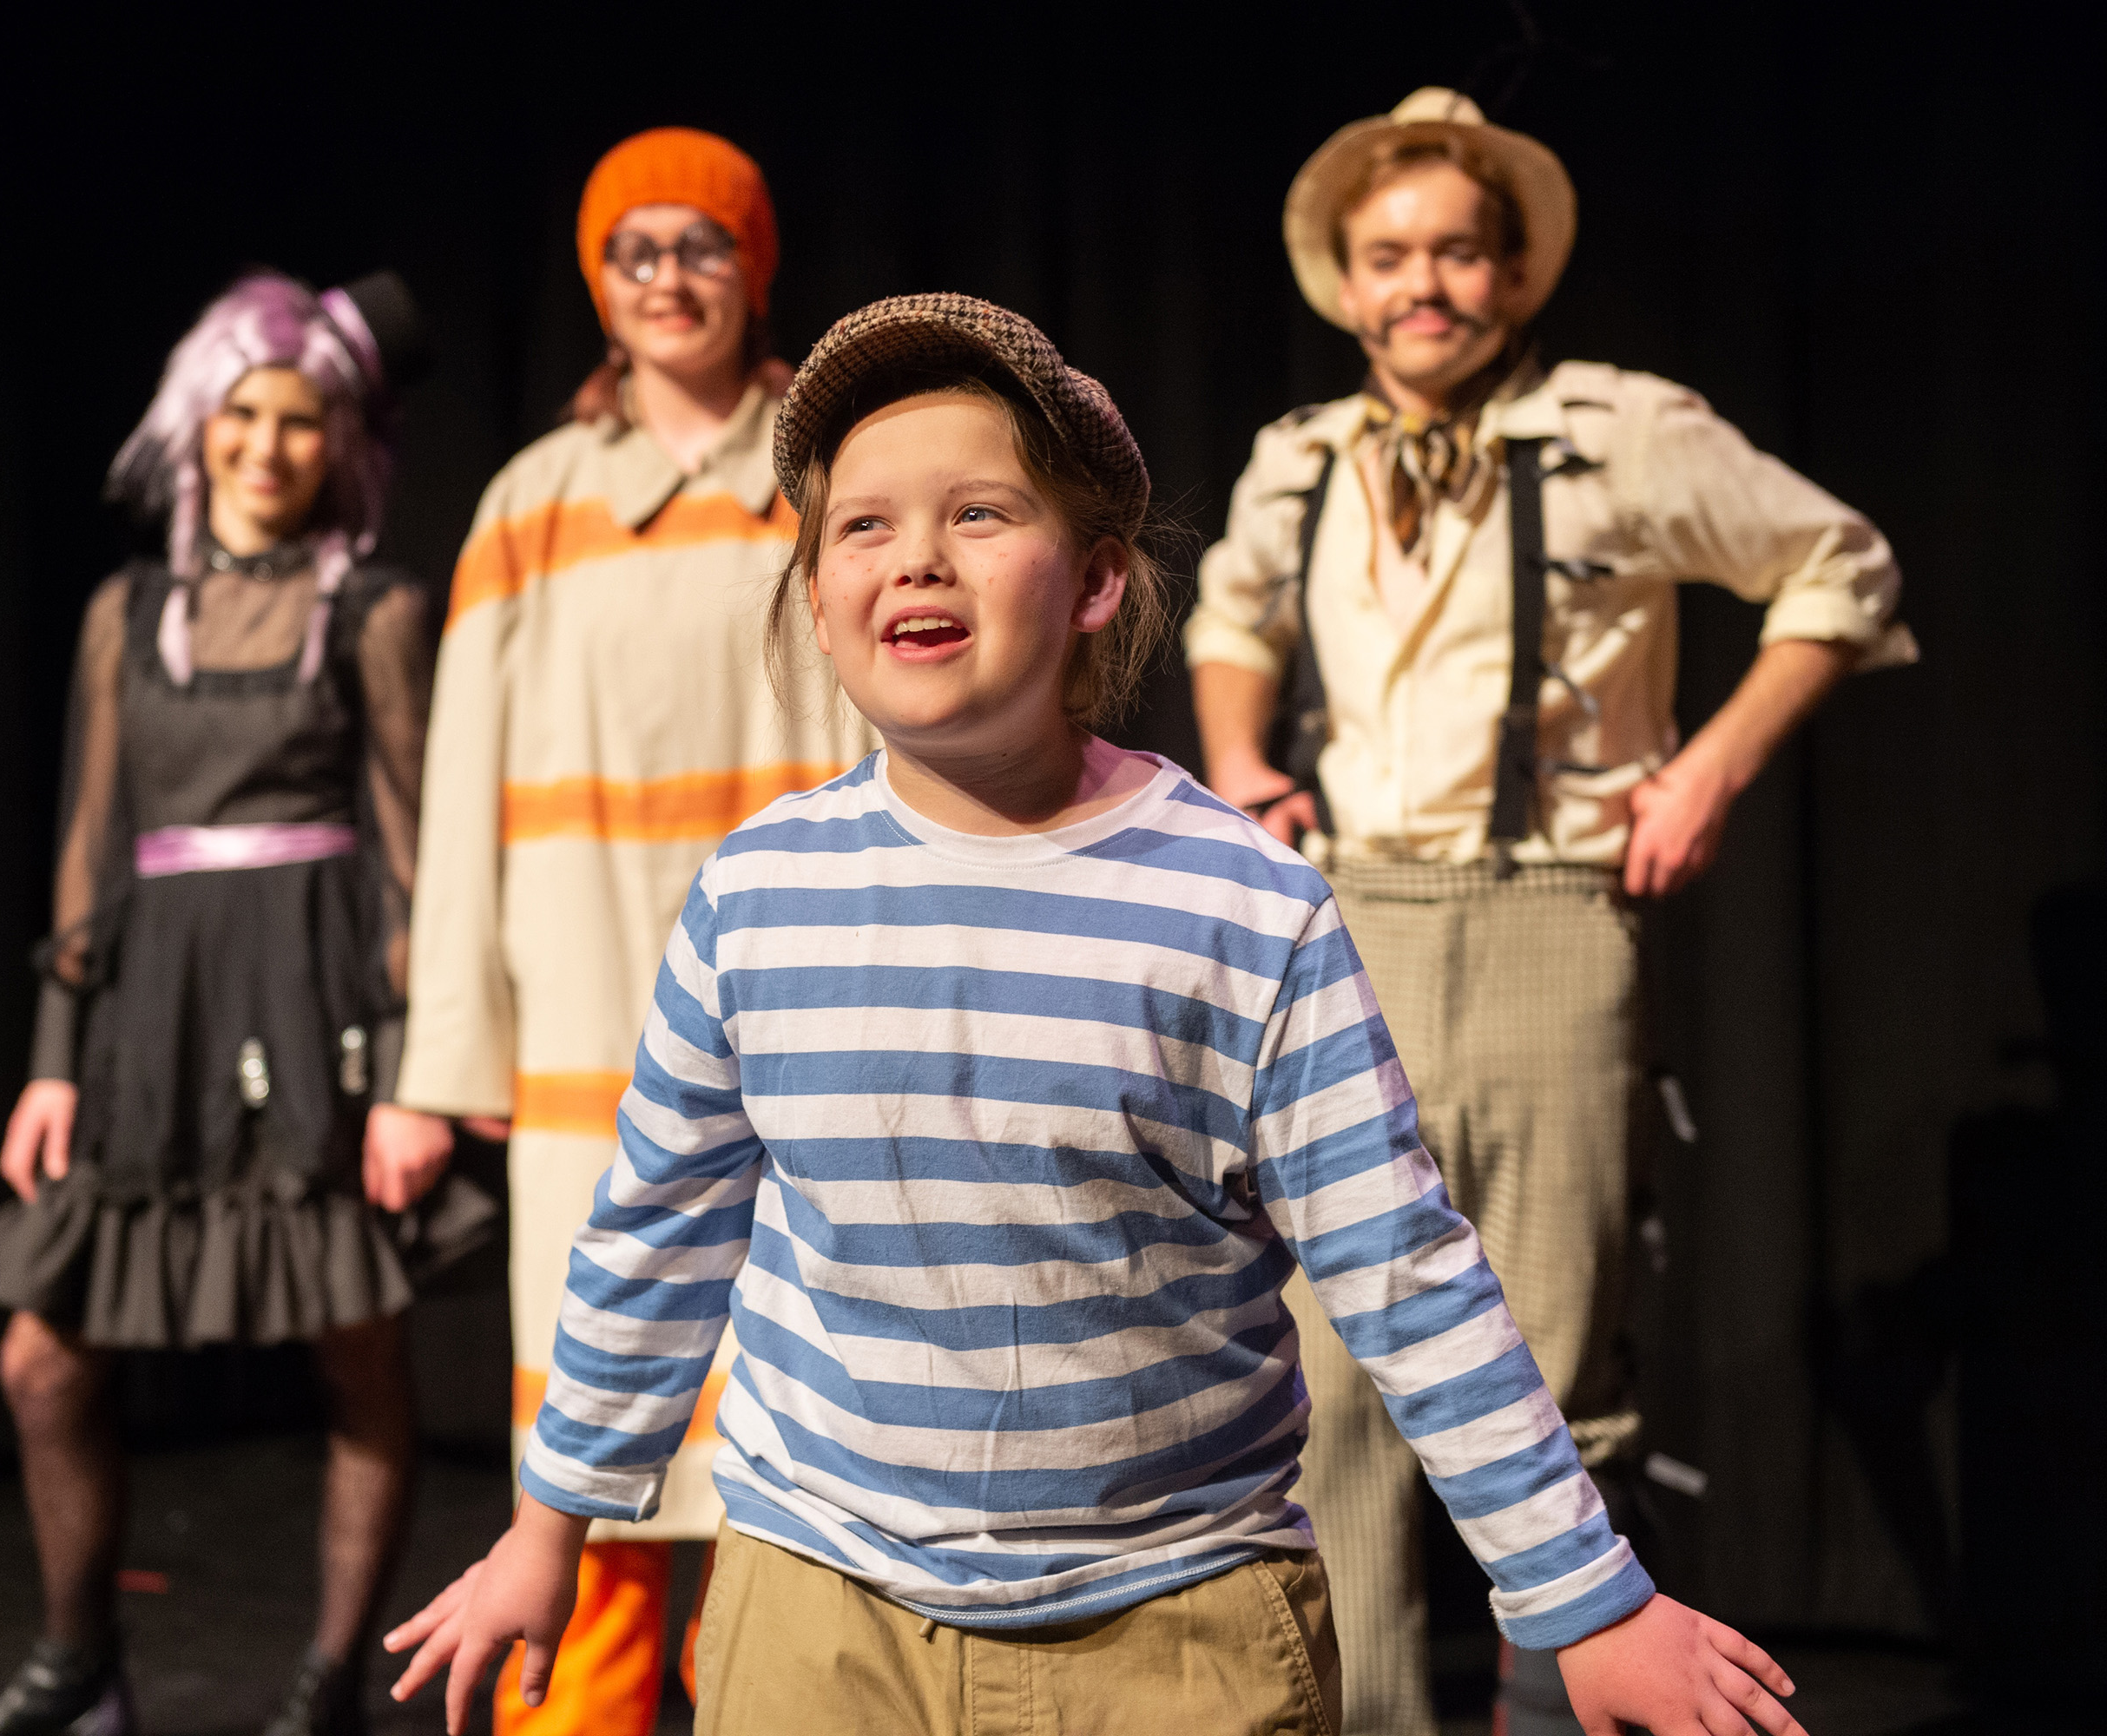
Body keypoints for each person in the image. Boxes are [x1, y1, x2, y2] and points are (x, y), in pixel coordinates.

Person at [379, 292, 1814, 1736]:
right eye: (862, 526)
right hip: (817, 1614)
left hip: (1174, 1628)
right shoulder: (758, 895)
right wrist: (549, 1528)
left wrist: (1583, 1596)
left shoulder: (1244, 906)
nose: (917, 555)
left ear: (1098, 580)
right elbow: (656, 1235)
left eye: (980, 514)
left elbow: (1406, 1272)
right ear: (815, 599)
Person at [1181, 89, 1915, 1735]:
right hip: (1342, 922)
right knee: (1333, 1394)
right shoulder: (1302, 458)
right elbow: (1230, 611)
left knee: (1552, 1371)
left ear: (1512, 274)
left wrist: (1711, 766)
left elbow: (1842, 568)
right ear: (1347, 282)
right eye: (1390, 256)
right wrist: (1237, 760)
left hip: (1547, 917)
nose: (1422, 284)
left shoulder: (1620, 430)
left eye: (1456, 252)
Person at [369, 128, 878, 1736]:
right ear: (598, 285)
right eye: (633, 250)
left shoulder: (822, 486)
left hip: (797, 1025)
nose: (668, 277)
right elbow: (461, 788)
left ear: (754, 267)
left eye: (701, 244)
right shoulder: (535, 501)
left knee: (780, 1482)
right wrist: (447, 1059)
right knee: (596, 1470)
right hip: (590, 1036)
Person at [0, 269, 487, 1736]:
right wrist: (56, 1058)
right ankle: (79, 1671)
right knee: (42, 1358)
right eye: (242, 413)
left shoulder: (372, 610)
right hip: (153, 1025)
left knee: (358, 1348)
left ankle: (326, 1689)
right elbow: (90, 845)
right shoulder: (128, 613)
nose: (266, 445)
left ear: (341, 442)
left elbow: (417, 857)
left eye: (300, 419)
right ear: (197, 424)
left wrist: (413, 1076)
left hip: (315, 1020)